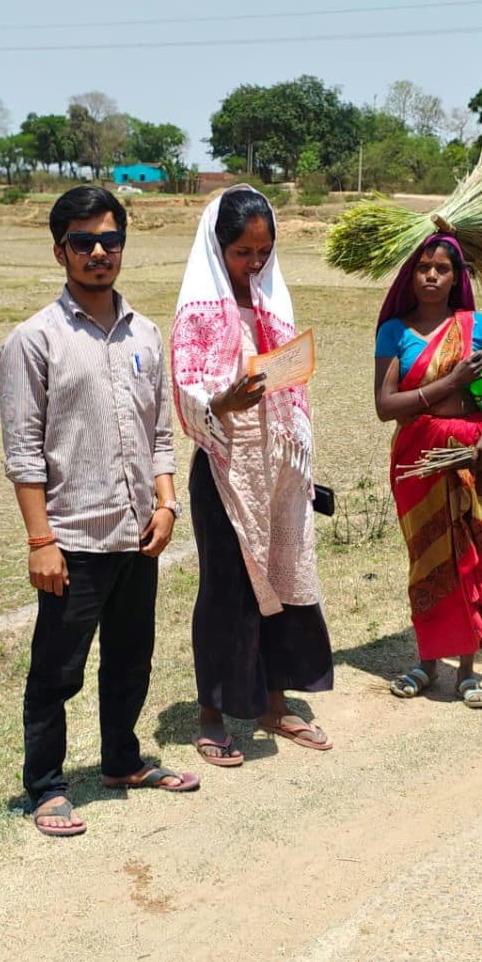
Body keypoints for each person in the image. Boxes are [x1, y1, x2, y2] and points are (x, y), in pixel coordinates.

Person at [0, 185, 200, 838]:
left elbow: (159, 434)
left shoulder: (145, 332)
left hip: (138, 532)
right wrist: (40, 540)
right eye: (82, 242)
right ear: (60, 251)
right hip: (73, 538)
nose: (98, 252)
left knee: (131, 658)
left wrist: (168, 504)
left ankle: (121, 761)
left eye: (110, 240)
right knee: (57, 670)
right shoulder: (33, 340)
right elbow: (24, 451)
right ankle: (47, 786)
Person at [171, 187, 333, 767]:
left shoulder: (274, 305)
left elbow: (292, 382)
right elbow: (191, 401)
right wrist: (227, 400)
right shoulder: (197, 314)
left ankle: (273, 702)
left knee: (285, 579)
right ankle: (212, 713)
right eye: (243, 251)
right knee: (227, 591)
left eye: (264, 251)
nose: (255, 263)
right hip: (223, 469)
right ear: (218, 249)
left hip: (278, 471)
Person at [374, 233, 482, 705]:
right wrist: (450, 382)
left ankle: (466, 669)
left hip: (474, 456)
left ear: (456, 276)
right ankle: (427, 662)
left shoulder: (478, 326)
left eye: (442, 269)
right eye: (423, 268)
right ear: (410, 273)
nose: (431, 276)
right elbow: (385, 406)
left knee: (472, 555)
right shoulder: (393, 331)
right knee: (428, 560)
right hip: (418, 459)